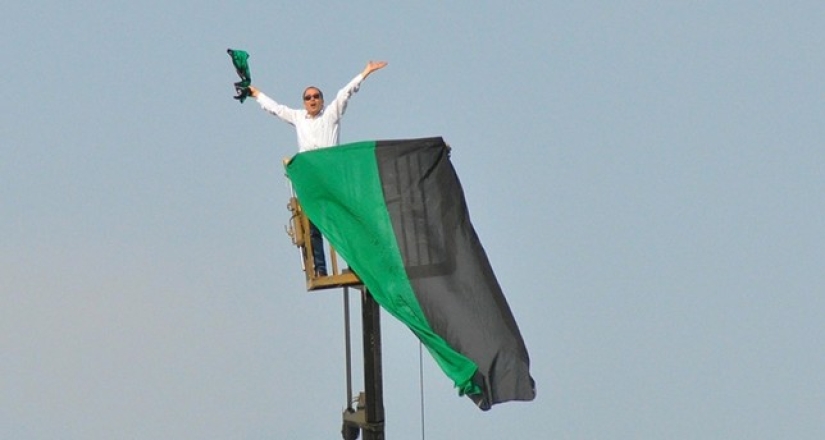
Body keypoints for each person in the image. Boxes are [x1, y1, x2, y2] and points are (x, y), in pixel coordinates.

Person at [248, 60, 388, 277]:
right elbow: (276, 109)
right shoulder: (298, 118)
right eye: (308, 97)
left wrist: (365, 73)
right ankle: (320, 268)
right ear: (304, 102)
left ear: (322, 100)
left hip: (332, 176)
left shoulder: (330, 114)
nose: (312, 100)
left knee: (343, 221)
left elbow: (345, 93)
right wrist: (256, 93)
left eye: (316, 96)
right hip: (312, 179)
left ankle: (355, 265)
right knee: (313, 225)